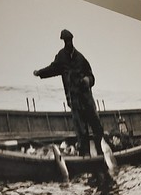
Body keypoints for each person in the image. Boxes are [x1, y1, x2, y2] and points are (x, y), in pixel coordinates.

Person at [34, 29, 105, 157]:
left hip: (87, 99)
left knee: (97, 127)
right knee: (81, 132)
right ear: (63, 42)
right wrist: (39, 73)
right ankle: (85, 156)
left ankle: (101, 152)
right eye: (65, 41)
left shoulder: (81, 58)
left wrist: (87, 80)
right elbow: (52, 69)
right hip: (74, 100)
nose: (68, 43)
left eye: (69, 40)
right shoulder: (61, 57)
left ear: (72, 40)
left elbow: (92, 77)